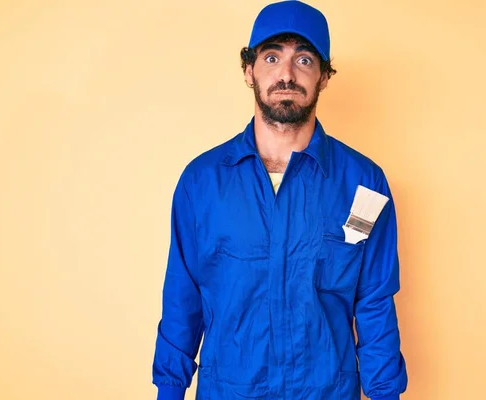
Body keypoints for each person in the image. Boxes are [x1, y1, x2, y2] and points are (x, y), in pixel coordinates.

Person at [151, 1, 408, 399]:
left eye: (304, 59)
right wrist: (169, 390)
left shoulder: (364, 184)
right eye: (272, 57)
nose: (286, 74)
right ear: (249, 69)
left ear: (323, 76)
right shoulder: (202, 183)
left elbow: (374, 302)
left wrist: (385, 394)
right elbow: (182, 299)